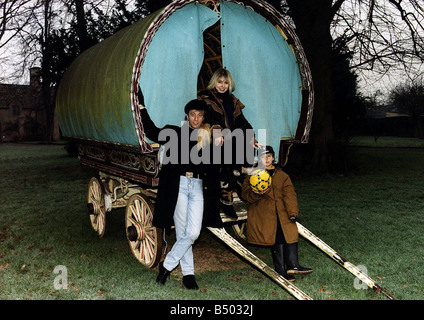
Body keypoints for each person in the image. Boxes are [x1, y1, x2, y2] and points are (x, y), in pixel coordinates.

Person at [137, 91, 222, 290]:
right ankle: (188, 275)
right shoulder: (175, 133)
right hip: (180, 186)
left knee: (193, 232)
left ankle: (166, 265)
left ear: (203, 117)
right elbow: (152, 132)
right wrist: (142, 110)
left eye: (200, 115)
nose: (196, 118)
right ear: (187, 115)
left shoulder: (206, 137)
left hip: (198, 186)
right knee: (184, 231)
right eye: (193, 114)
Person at [241, 146, 312, 282]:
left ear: (273, 158)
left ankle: (293, 265)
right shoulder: (253, 175)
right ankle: (280, 270)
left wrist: (292, 212)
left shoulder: (282, 176)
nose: (266, 159)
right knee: (276, 237)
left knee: (290, 231)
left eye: (269, 156)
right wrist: (257, 193)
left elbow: (289, 195)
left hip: (281, 212)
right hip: (263, 213)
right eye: (263, 157)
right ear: (259, 159)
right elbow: (245, 196)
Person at [198, 68, 256, 217]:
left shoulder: (233, 100)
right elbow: (208, 119)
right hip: (210, 136)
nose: (222, 86)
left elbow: (241, 120)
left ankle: (237, 177)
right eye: (219, 82)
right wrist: (218, 131)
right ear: (214, 82)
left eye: (225, 82)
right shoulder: (205, 97)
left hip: (229, 136)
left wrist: (252, 137)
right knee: (228, 143)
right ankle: (226, 191)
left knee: (246, 135)